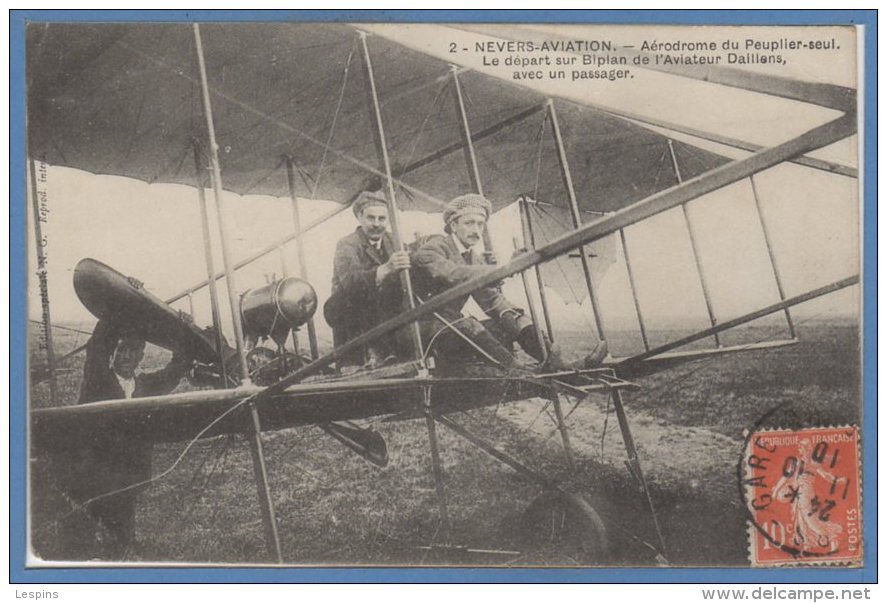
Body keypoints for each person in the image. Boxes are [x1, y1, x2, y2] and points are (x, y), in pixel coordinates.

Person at [412, 193, 607, 372]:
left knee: (510, 316)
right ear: (453, 225)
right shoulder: (432, 249)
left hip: (449, 326)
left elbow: (490, 299)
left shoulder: (473, 257)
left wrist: (511, 314)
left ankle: (558, 363)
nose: (476, 230)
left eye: (480, 224)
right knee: (470, 325)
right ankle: (519, 371)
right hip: (420, 329)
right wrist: (504, 269)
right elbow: (452, 274)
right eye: (469, 223)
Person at [58, 317, 194, 560]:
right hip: (92, 477)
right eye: (122, 350)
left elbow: (177, 369)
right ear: (114, 352)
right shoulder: (98, 380)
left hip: (128, 479)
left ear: (141, 356)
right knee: (80, 537)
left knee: (121, 536)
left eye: (133, 351)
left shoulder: (146, 386)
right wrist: (118, 308)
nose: (126, 356)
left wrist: (184, 329)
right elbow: (97, 347)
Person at [323, 191, 411, 371]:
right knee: (363, 297)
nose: (377, 224)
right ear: (359, 217)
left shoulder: (394, 241)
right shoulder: (347, 244)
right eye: (371, 218)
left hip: (383, 312)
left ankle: (397, 352)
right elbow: (351, 282)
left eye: (382, 218)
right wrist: (386, 268)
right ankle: (356, 361)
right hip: (348, 312)